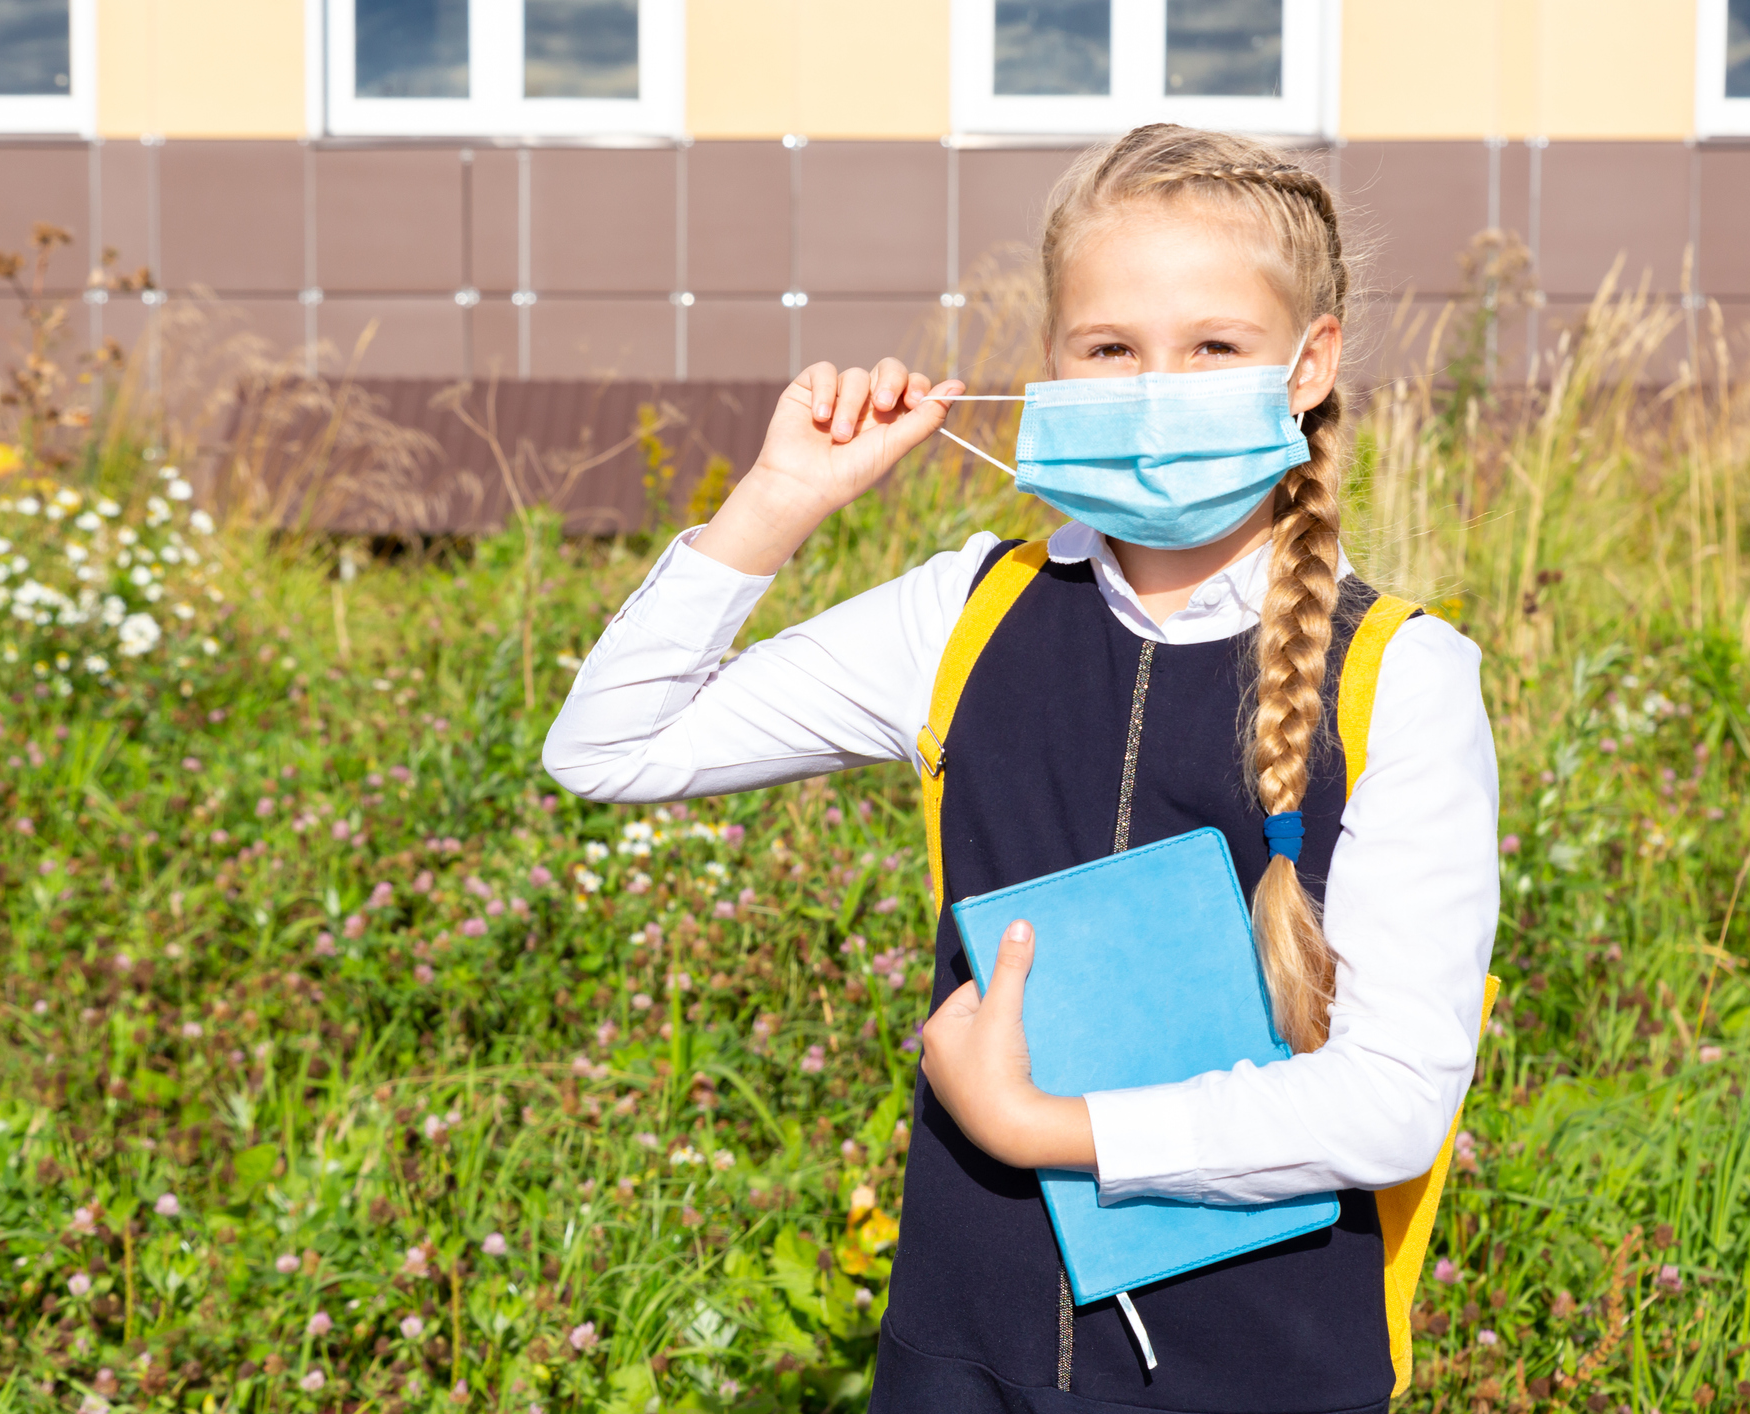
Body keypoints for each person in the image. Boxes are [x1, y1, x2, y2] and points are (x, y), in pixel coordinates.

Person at [543, 124, 1498, 1414]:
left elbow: (1391, 1102)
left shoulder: (1405, 676)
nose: (1157, 387)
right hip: (961, 1357)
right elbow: (609, 746)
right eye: (1110, 348)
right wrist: (777, 499)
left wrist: (1044, 1129)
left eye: (1214, 347)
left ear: (1308, 366)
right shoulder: (961, 617)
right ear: (1049, 367)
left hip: (1266, 1368)